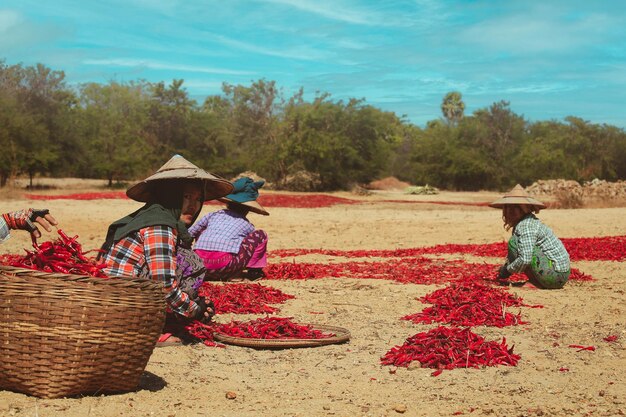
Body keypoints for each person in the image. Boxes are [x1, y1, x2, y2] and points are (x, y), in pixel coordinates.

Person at [99, 155, 233, 345]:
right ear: (169, 196)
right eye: (186, 197)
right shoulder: (160, 225)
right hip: (121, 308)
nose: (193, 206)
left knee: (184, 257)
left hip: (114, 302)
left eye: (198, 198)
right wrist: (195, 309)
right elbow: (163, 285)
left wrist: (195, 306)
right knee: (190, 262)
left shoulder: (149, 217)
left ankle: (162, 321)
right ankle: (147, 332)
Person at [489, 184, 570, 289]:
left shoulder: (526, 226)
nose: (510, 210)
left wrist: (507, 270)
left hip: (555, 275)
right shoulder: (525, 222)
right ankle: (538, 280)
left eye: (516, 207)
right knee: (518, 243)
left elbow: (525, 259)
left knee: (514, 243)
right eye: (508, 207)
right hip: (560, 274)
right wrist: (506, 267)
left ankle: (536, 282)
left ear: (524, 209)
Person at [189, 176, 269, 282]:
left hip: (198, 265)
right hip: (225, 267)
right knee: (260, 235)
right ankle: (253, 271)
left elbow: (190, 233)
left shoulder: (213, 215)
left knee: (203, 230)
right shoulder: (247, 225)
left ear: (228, 203)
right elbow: (245, 247)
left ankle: (207, 271)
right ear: (248, 209)